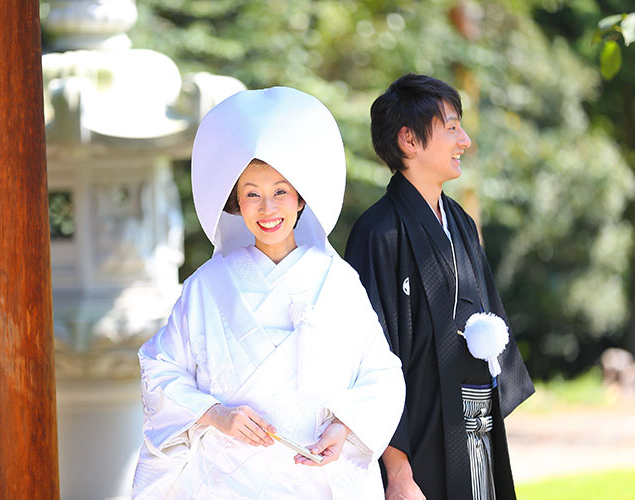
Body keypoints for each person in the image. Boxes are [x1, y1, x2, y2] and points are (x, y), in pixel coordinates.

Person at [132, 86, 406, 499]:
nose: (267, 208)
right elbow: (159, 367)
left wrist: (344, 425)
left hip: (317, 473)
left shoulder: (338, 280)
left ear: (299, 199)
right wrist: (215, 414)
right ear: (235, 203)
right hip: (229, 479)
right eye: (252, 194)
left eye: (280, 192)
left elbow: (380, 374)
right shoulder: (207, 286)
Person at [345, 74, 535, 500]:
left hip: (475, 426)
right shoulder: (378, 233)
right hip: (419, 442)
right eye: (451, 127)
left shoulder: (462, 224)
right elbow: (368, 358)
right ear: (409, 141)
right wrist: (397, 472)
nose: (464, 140)